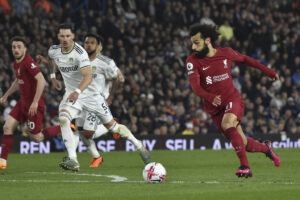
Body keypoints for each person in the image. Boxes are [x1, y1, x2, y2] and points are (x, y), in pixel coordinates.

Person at [47, 24, 150, 171]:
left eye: (68, 36)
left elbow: (113, 78)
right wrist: (52, 76)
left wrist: (110, 95)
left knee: (109, 129)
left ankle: (138, 144)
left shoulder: (90, 57)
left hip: (93, 97)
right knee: (65, 120)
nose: (65, 39)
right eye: (62, 36)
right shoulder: (54, 50)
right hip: (73, 96)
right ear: (58, 37)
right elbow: (53, 59)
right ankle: (73, 159)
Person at [186, 24, 281, 178]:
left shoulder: (226, 53)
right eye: (192, 43)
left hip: (233, 99)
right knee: (242, 143)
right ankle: (266, 149)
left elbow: (245, 59)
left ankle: (245, 167)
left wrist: (268, 71)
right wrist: (210, 97)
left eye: (196, 42)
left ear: (208, 40)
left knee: (228, 123)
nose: (193, 46)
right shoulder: (192, 61)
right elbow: (196, 87)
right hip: (215, 109)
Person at [0, 36, 61, 170]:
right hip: (22, 102)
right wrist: (6, 95)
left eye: (19, 47)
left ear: (25, 49)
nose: (16, 49)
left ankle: (63, 127)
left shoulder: (28, 62)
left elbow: (42, 80)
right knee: (7, 127)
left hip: (34, 105)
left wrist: (34, 102)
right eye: (14, 47)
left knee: (37, 138)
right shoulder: (16, 64)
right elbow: (18, 81)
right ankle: (2, 162)